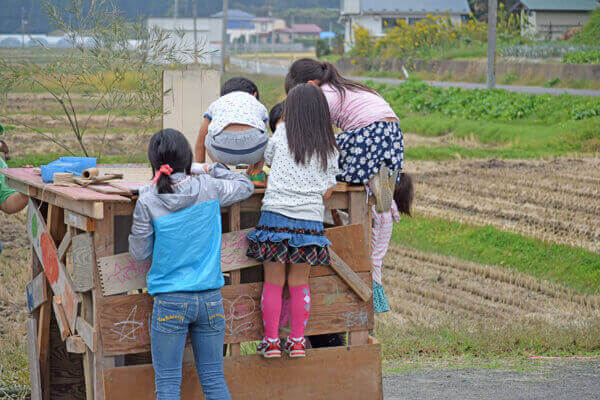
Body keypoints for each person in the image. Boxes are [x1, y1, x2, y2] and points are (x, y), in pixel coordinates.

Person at [129, 129, 253, 400]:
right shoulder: (208, 186)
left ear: (154, 161)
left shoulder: (148, 198)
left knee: (168, 387)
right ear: (187, 158)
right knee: (214, 382)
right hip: (210, 300)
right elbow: (246, 186)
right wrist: (211, 168)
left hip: (170, 301)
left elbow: (139, 253)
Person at [245, 84, 339, 358]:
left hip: (275, 216)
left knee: (273, 282)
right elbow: (328, 190)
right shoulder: (328, 144)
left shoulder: (281, 135)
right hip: (309, 222)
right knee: (299, 283)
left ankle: (271, 342)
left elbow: (269, 165)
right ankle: (297, 342)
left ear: (290, 110)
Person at [285, 58, 404, 213]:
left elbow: (317, 137)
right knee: (364, 167)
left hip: (369, 133)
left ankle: (376, 185)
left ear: (310, 85)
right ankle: (378, 185)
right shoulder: (345, 87)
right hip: (393, 134)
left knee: (328, 158)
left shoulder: (321, 96)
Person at [195, 77, 269, 187]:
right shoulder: (258, 105)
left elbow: (200, 144)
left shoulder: (217, 104)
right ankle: (256, 175)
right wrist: (248, 172)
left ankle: (222, 172)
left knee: (207, 138)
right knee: (266, 138)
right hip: (253, 150)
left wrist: (200, 175)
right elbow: (261, 136)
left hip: (223, 150)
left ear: (223, 96)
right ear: (254, 95)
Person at [371, 173, 414, 313]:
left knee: (365, 316)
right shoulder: (388, 210)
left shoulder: (382, 209)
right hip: (374, 271)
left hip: (369, 270)